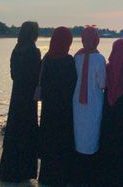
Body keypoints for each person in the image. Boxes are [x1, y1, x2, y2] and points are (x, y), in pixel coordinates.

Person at [0, 21, 41, 183]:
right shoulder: (34, 51)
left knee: (14, 132)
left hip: (16, 96)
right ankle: (24, 171)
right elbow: (37, 75)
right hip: (29, 97)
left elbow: (13, 74)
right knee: (27, 132)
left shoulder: (16, 51)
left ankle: (9, 169)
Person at [39, 26, 77, 187]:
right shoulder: (68, 61)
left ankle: (47, 176)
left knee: (49, 142)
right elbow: (73, 84)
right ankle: (63, 176)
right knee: (63, 142)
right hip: (64, 109)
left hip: (48, 108)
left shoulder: (46, 59)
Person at [100, 38, 123, 186]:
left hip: (109, 111)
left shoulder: (107, 67)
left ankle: (108, 177)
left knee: (110, 143)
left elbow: (102, 85)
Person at [73, 26, 106, 185]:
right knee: (92, 134)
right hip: (94, 101)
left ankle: (78, 174)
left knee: (79, 134)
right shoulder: (99, 59)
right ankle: (91, 175)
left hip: (77, 103)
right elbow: (102, 83)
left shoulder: (77, 57)